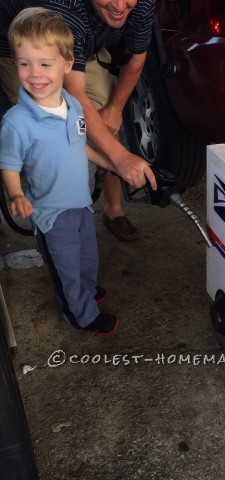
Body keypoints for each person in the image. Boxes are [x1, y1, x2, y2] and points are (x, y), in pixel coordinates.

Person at [0, 7, 120, 334]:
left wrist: (111, 163)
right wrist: (15, 193)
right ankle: (79, 313)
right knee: (64, 268)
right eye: (24, 64)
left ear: (68, 65)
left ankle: (85, 289)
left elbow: (80, 146)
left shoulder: (74, 104)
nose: (34, 73)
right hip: (51, 214)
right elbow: (9, 164)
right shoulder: (16, 122)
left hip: (80, 203)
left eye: (44, 64)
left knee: (87, 258)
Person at [0, 0, 157, 241]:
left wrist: (114, 110)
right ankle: (51, 215)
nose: (119, 4)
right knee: (49, 122)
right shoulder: (66, 6)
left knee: (103, 114)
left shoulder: (142, 3)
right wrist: (121, 157)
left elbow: (136, 59)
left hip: (81, 44)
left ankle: (113, 209)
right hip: (23, 49)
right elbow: (75, 95)